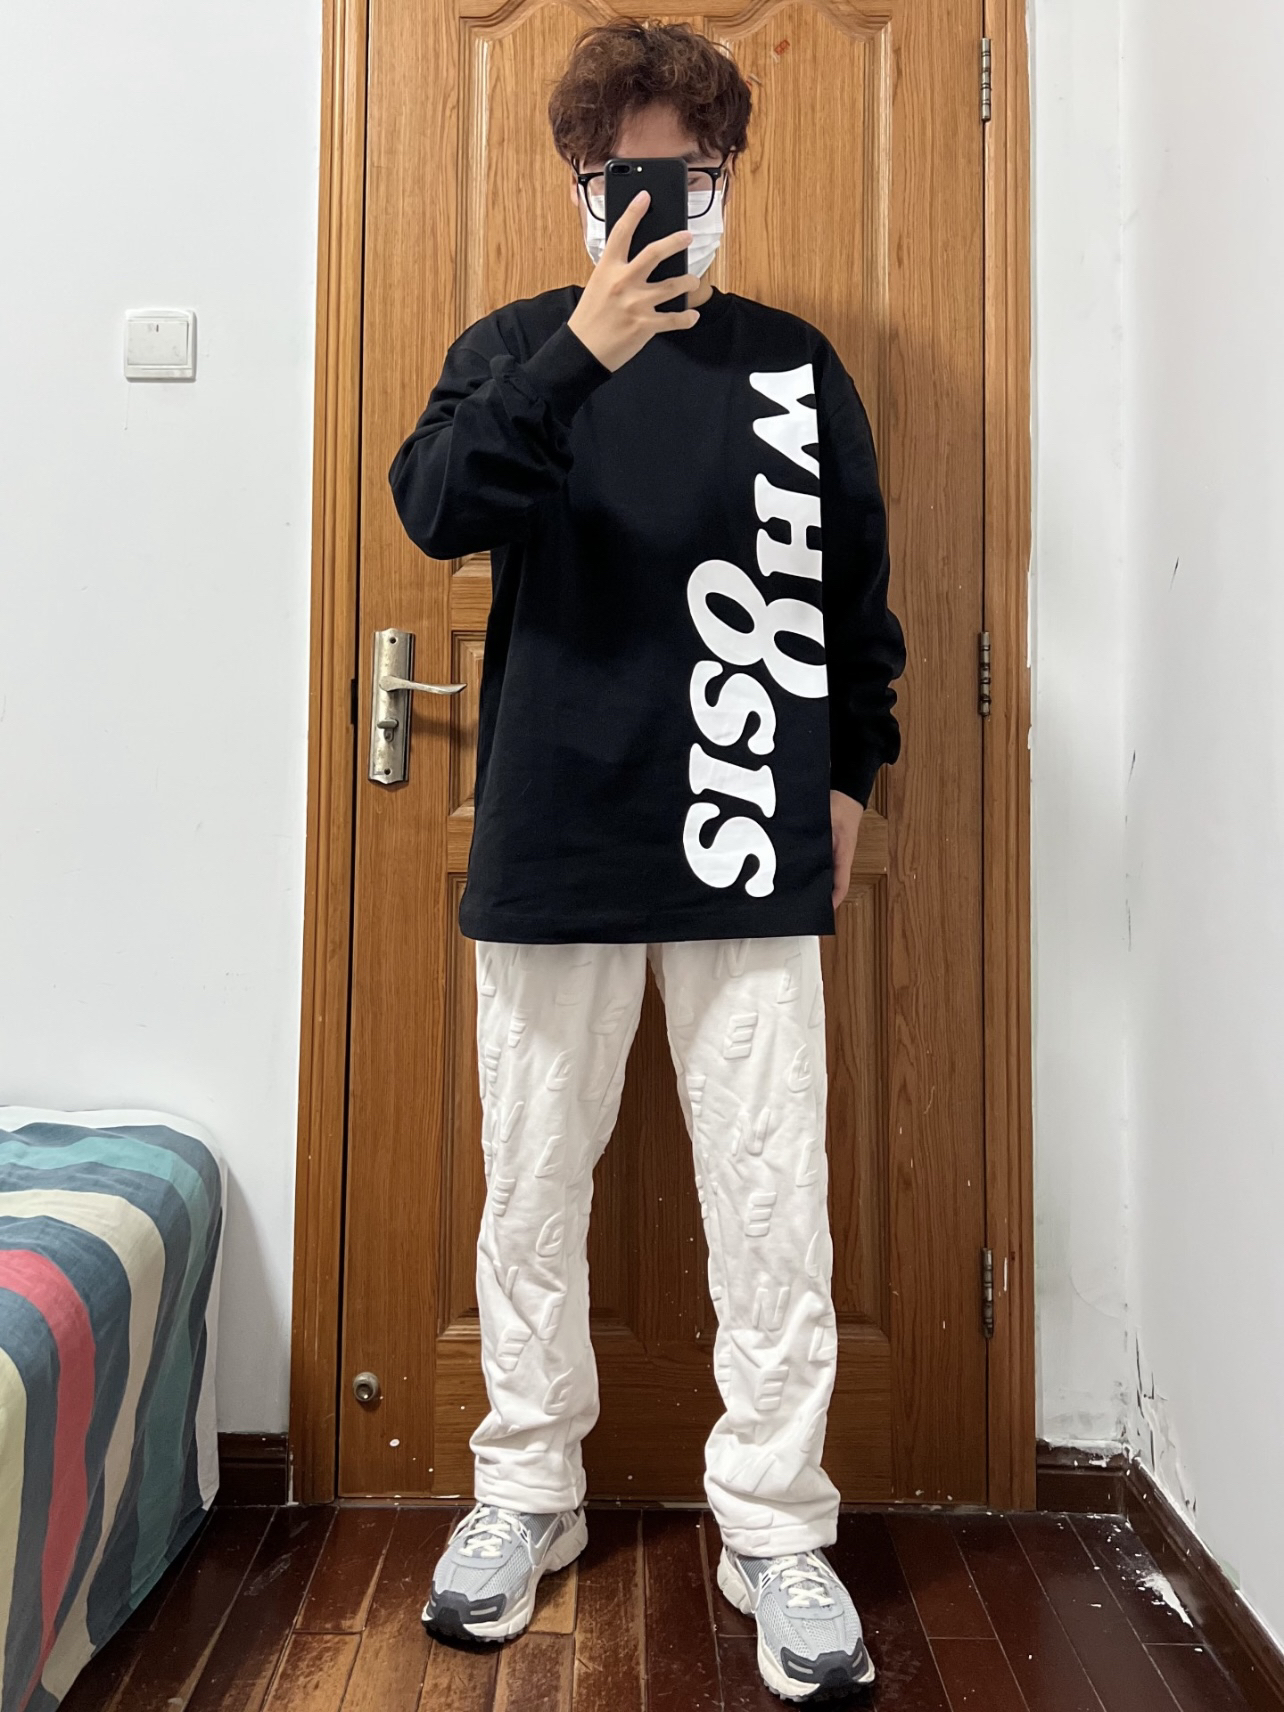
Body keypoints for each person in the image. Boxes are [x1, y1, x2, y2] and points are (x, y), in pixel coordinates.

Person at [388, 18, 906, 1702]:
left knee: (772, 1194)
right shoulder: (514, 348)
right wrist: (580, 355)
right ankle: (526, 1492)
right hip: (553, 835)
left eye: (695, 169)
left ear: (731, 176)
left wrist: (856, 774)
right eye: (630, 174)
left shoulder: (795, 368)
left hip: (748, 829)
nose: (665, 198)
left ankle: (775, 1525)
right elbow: (436, 504)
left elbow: (852, 595)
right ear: (581, 181)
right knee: (531, 1190)